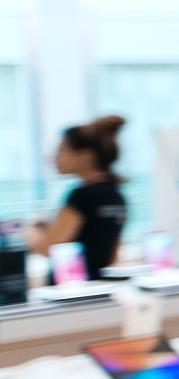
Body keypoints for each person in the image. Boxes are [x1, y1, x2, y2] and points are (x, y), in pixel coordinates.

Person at [27, 116, 128, 278]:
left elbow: (48, 248)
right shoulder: (116, 196)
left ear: (85, 157)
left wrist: (31, 232)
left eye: (62, 150)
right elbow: (110, 254)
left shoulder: (82, 196)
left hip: (71, 293)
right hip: (99, 289)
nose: (55, 158)